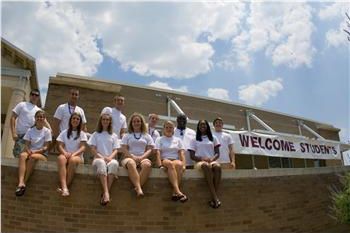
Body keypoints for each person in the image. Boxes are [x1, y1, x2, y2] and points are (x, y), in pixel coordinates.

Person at [15, 110, 52, 196]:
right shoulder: (30, 130)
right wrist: (28, 150)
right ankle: (20, 181)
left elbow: (46, 147)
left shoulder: (47, 131)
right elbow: (27, 145)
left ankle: (24, 182)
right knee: (22, 155)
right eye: (38, 117)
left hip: (42, 154)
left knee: (32, 157)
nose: (40, 118)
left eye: (42, 117)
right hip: (30, 151)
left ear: (44, 119)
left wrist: (35, 151)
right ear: (35, 118)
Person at [88, 113, 119, 206]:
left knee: (114, 164)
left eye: (107, 120)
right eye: (103, 119)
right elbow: (92, 149)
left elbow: (116, 149)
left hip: (110, 159)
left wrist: (110, 158)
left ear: (110, 122)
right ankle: (106, 193)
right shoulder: (96, 134)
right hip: (98, 159)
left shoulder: (113, 135)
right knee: (101, 163)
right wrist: (101, 157)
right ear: (101, 121)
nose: (105, 121)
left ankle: (105, 194)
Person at [189, 120, 222, 209]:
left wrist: (212, 160)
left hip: (211, 161)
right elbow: (192, 156)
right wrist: (202, 159)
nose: (202, 126)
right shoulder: (193, 139)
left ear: (207, 126)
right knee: (205, 166)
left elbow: (217, 153)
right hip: (199, 162)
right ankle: (215, 197)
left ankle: (213, 198)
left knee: (218, 167)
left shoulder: (213, 138)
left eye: (204, 124)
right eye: (200, 125)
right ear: (198, 127)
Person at [121, 113, 154, 197]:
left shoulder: (147, 136)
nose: (136, 123)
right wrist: (132, 157)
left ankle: (137, 187)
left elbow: (150, 149)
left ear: (141, 122)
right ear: (131, 123)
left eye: (138, 121)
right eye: (134, 121)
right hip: (129, 157)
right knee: (131, 163)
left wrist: (142, 157)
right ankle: (139, 189)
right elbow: (123, 149)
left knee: (147, 165)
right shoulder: (127, 135)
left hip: (142, 157)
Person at [11, 89, 51, 157]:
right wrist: (13, 133)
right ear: (30, 96)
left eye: (36, 95)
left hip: (32, 137)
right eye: (32, 94)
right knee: (18, 156)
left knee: (29, 156)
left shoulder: (39, 110)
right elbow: (13, 118)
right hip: (21, 136)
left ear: (38, 97)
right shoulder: (22, 104)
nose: (34, 96)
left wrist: (50, 130)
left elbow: (45, 122)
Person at [155, 121, 188, 202]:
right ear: (163, 129)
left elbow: (181, 153)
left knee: (179, 164)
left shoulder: (178, 140)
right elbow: (158, 152)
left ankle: (174, 193)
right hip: (165, 159)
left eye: (171, 127)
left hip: (175, 159)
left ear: (173, 129)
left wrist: (184, 165)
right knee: (170, 164)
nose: (169, 129)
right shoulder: (159, 139)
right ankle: (177, 191)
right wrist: (160, 165)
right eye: (167, 127)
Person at [56, 112, 87, 197]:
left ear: (80, 121)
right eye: (74, 118)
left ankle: (65, 186)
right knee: (60, 158)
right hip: (66, 155)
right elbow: (60, 146)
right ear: (70, 120)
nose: (75, 120)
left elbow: (83, 147)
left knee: (72, 160)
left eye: (77, 119)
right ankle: (65, 187)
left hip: (77, 157)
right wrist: (65, 153)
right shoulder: (64, 132)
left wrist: (74, 154)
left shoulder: (82, 134)